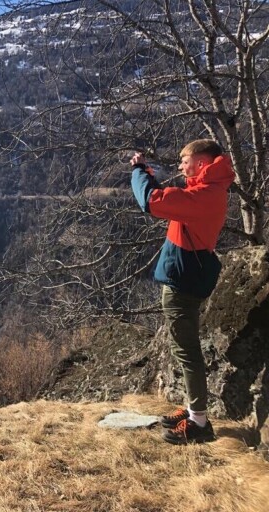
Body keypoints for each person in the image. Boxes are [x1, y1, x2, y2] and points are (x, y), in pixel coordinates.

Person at [130, 139, 235, 445]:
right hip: (188, 276)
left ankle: (199, 423)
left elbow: (151, 201)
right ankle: (193, 410)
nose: (180, 166)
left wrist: (139, 170)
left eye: (185, 161)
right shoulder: (209, 189)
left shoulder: (203, 195)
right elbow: (172, 198)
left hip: (183, 283)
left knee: (186, 350)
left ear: (202, 163)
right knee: (183, 347)